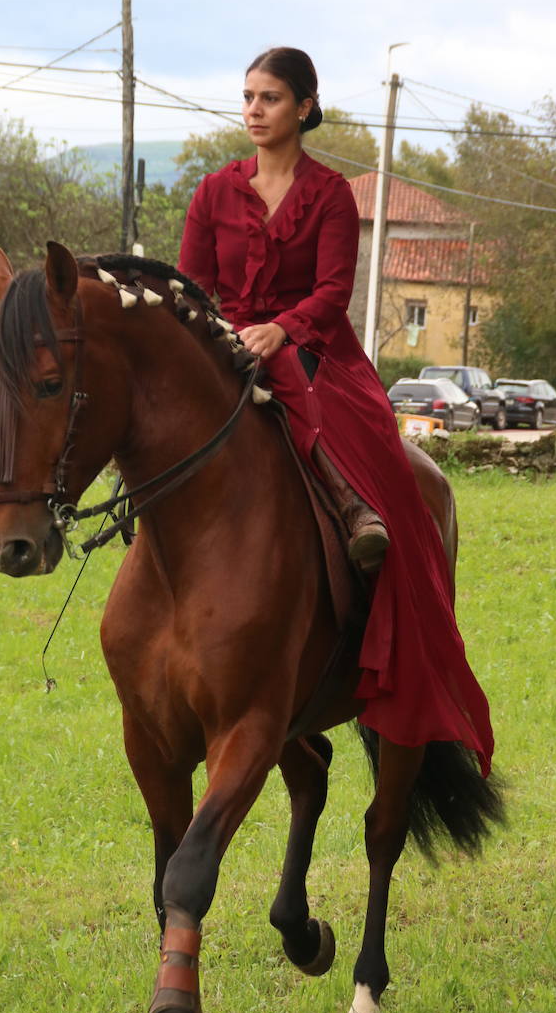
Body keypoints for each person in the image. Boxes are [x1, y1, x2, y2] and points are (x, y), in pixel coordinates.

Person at [178, 46, 493, 771]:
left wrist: (279, 329)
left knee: (327, 416)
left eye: (270, 99)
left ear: (305, 108)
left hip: (315, 350)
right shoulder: (211, 194)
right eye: (249, 96)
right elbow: (193, 286)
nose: (254, 110)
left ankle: (356, 512)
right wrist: (221, 336)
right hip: (227, 348)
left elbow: (330, 292)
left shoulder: (329, 197)